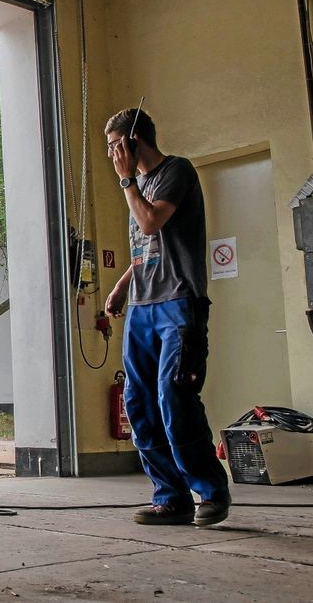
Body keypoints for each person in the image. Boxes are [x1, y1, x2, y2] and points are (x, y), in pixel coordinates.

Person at [103, 108, 231, 527]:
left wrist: (126, 182)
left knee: (174, 396)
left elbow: (151, 220)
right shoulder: (137, 187)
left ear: (134, 141)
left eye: (114, 145)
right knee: (138, 403)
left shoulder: (176, 171)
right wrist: (123, 285)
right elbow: (146, 245)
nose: (111, 155)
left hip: (179, 303)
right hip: (143, 306)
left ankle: (210, 492)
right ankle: (171, 497)